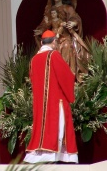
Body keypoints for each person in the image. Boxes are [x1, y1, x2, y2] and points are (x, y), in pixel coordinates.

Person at [24, 30, 78, 164]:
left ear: (42, 42)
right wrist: (72, 89)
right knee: (56, 128)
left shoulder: (33, 60)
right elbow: (65, 76)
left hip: (39, 103)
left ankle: (39, 156)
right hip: (55, 101)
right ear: (54, 42)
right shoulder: (53, 55)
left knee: (41, 127)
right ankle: (53, 157)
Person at [34, 0, 89, 80]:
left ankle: (67, 76)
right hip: (53, 38)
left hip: (65, 37)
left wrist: (73, 23)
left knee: (67, 46)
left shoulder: (68, 8)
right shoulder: (49, 10)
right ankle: (53, 76)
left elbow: (75, 17)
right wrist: (41, 30)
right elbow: (45, 23)